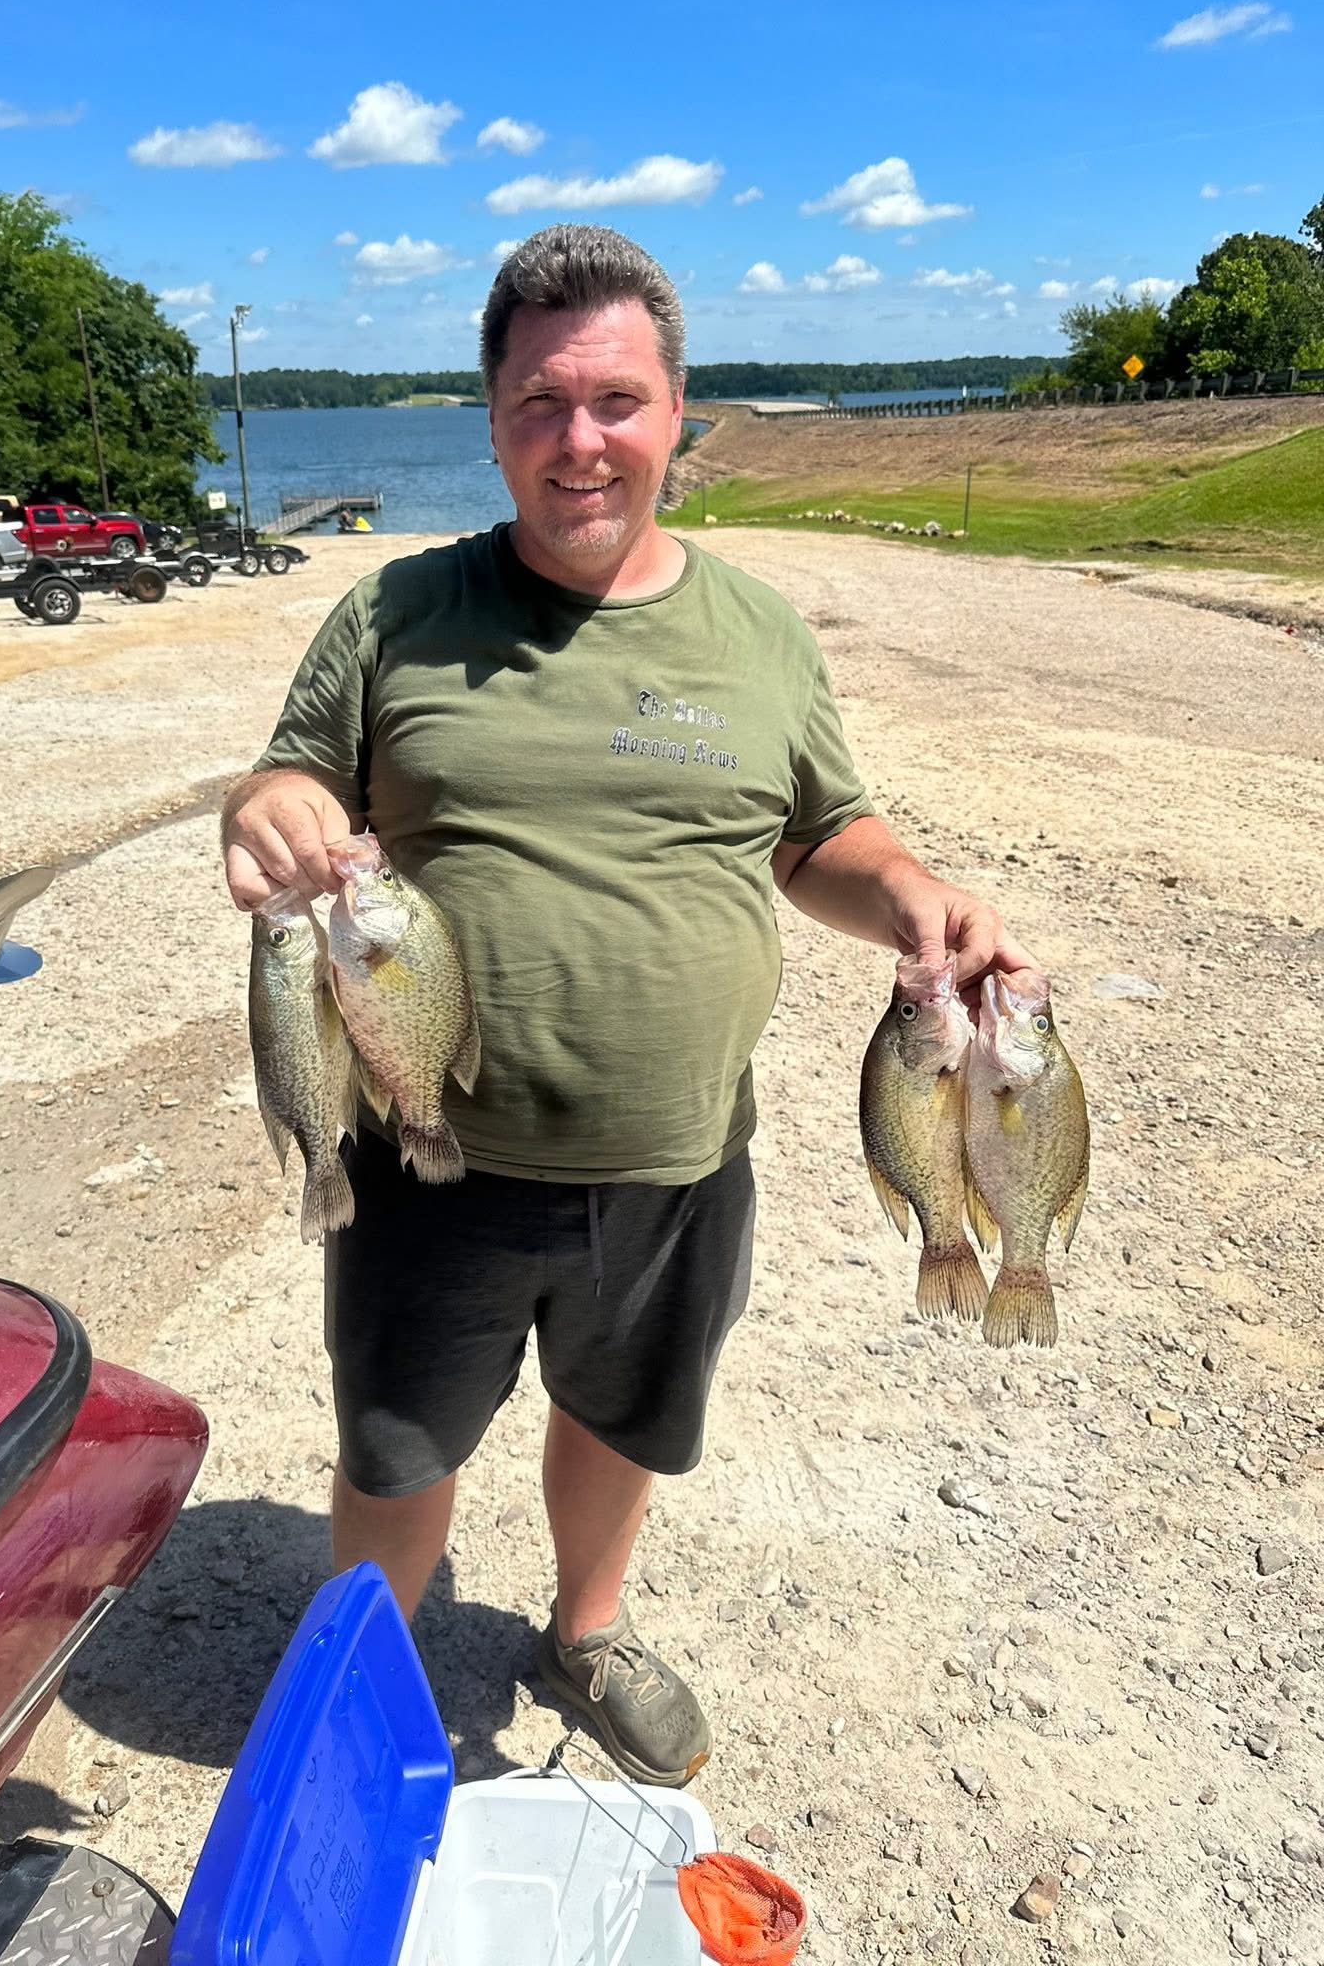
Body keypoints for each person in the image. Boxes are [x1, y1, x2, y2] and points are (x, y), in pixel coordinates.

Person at [221, 224, 1030, 1788]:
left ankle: (581, 1632)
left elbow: (819, 841)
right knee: (396, 1451)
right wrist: (267, 808)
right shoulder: (394, 615)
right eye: (538, 403)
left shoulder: (757, 632)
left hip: (672, 1162)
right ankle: (364, 1697)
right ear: (492, 416)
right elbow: (291, 773)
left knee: (622, 1424)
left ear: (678, 413)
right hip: (422, 1147)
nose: (577, 441)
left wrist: (912, 893)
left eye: (614, 401)